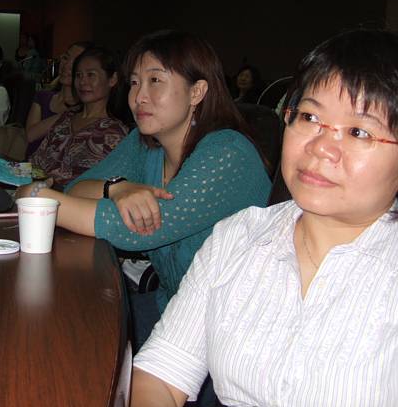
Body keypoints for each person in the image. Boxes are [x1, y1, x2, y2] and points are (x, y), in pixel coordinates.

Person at [130, 29, 398, 407]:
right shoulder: (237, 237)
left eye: (358, 131)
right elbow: (161, 374)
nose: (320, 146)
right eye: (309, 117)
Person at [17, 29, 270, 345]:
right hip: (173, 309)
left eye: (155, 80)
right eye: (135, 82)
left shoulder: (228, 153)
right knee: (58, 323)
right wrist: (117, 188)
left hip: (232, 331)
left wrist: (35, 196)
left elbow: (135, 228)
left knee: (76, 340)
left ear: (197, 92)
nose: (139, 97)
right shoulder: (145, 144)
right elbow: (77, 188)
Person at [29, 46, 129, 188]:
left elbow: (109, 185)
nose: (82, 82)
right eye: (78, 75)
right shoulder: (66, 119)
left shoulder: (115, 132)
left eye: (91, 75)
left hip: (71, 199)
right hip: (35, 193)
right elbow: (35, 162)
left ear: (112, 79)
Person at [25, 41, 90, 157]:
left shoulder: (87, 109)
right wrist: (69, 113)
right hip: (29, 164)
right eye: (65, 58)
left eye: (76, 62)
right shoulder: (43, 97)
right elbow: (31, 135)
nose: (67, 65)